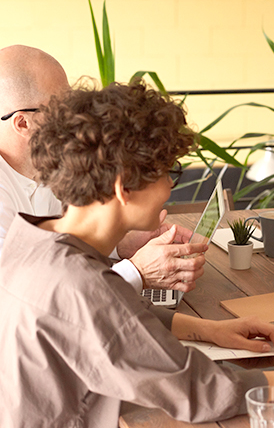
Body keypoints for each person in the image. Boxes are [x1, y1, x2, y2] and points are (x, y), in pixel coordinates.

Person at [0, 81, 274, 428]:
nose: (170, 188)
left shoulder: (32, 235)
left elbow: (107, 320)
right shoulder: (80, 285)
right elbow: (202, 393)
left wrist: (205, 329)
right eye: (167, 172)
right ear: (124, 187)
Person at [0, 44, 203, 292]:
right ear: (22, 122)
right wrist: (136, 271)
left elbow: (65, 254)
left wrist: (122, 244)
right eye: (61, 109)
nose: (74, 116)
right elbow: (29, 295)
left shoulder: (55, 164)